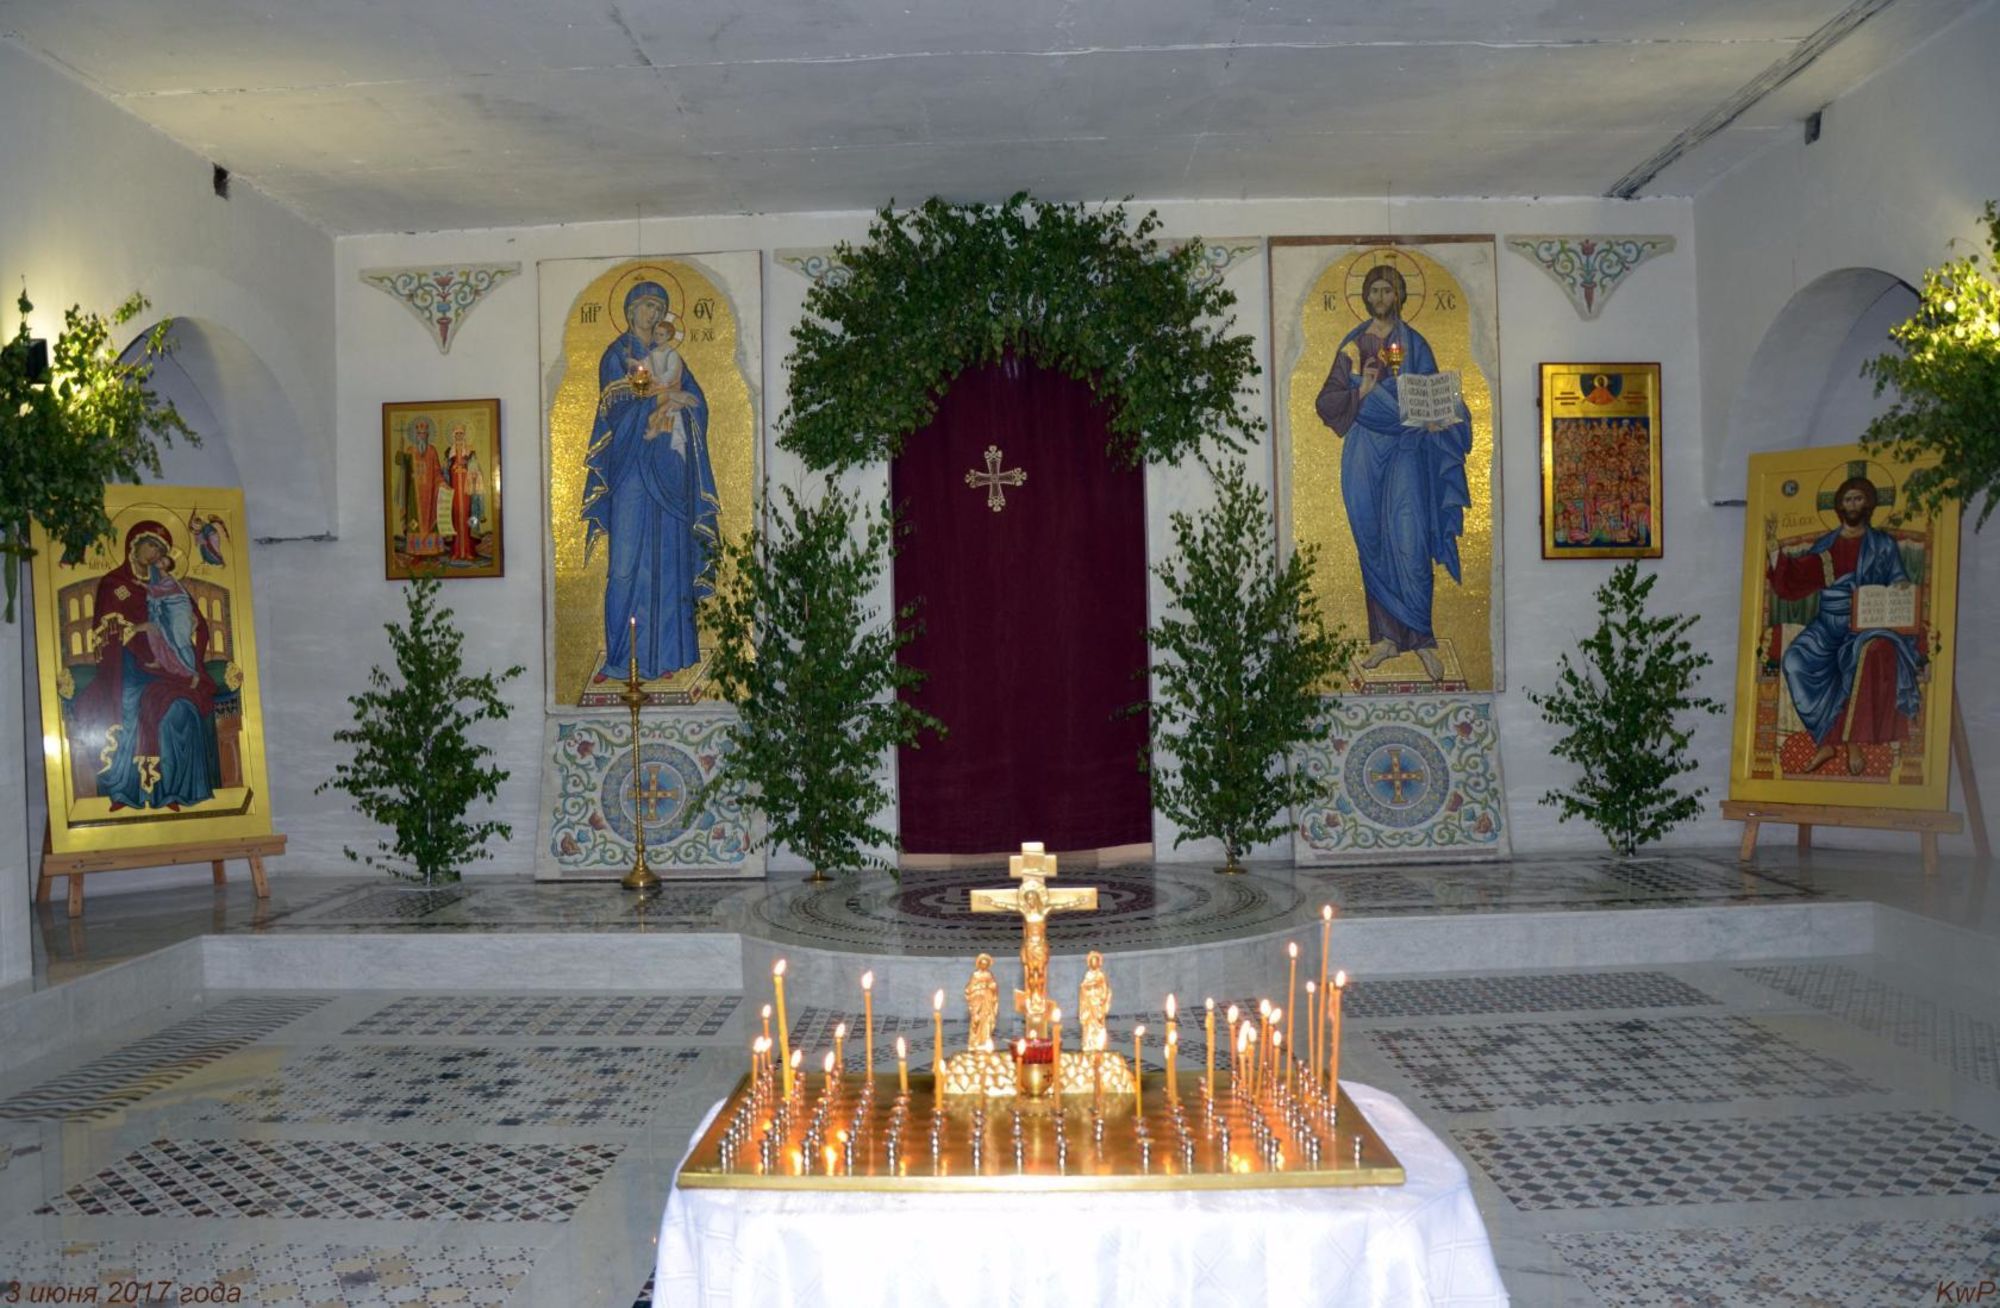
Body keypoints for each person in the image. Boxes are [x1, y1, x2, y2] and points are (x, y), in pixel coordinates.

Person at [1314, 263, 1473, 682]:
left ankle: (1422, 639)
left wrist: (1441, 419)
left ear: (1400, 295)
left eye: (1388, 291)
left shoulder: (1415, 344)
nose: (1381, 298)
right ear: (1365, 297)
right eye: (1375, 291)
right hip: (1364, 451)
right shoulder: (1352, 346)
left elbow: (1435, 393)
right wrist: (1363, 390)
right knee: (1372, 541)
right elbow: (1327, 401)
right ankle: (1384, 639)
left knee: (1410, 538)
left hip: (1406, 450)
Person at [582, 281, 719, 682]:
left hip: (670, 472)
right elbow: (616, 412)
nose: (652, 314)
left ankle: (667, 658)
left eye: (658, 308)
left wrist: (681, 403)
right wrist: (662, 399)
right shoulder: (616, 356)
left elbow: (698, 404)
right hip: (630, 472)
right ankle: (619, 659)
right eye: (646, 306)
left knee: (669, 561)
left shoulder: (674, 358)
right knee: (624, 567)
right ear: (629, 310)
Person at [1767, 476, 1923, 776]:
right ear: (1839, 505)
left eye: (1858, 499)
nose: (1852, 505)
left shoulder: (1882, 544)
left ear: (1868, 503)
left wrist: (1900, 585)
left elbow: (1898, 577)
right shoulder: (1827, 544)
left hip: (1866, 623)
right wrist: (1775, 550)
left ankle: (1852, 742)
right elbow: (1798, 578)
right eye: (1848, 499)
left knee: (1863, 658)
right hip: (1827, 624)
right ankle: (1825, 741)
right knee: (1795, 661)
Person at [67, 521, 221, 810]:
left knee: (182, 710)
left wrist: (179, 636)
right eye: (151, 545)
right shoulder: (115, 585)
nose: (155, 554)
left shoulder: (168, 584)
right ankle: (127, 791)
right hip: (127, 668)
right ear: (134, 545)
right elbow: (105, 633)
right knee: (129, 708)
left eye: (161, 550)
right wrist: (138, 636)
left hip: (168, 668)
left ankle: (173, 792)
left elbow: (195, 622)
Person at [402, 416, 445, 558]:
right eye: (419, 434)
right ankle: (416, 551)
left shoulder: (432, 451)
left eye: (424, 434)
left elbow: (437, 471)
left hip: (430, 492)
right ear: (416, 435)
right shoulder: (410, 450)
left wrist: (442, 483)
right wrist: (400, 455)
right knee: (415, 522)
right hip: (414, 495)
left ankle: (432, 550)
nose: (422, 436)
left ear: (427, 435)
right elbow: (402, 467)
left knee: (432, 520)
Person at [445, 423, 484, 564]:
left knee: (469, 516)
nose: (459, 436)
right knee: (455, 516)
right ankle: (456, 551)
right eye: (457, 434)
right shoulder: (449, 453)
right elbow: (445, 471)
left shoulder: (470, 452)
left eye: (461, 434)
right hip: (454, 491)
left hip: (468, 492)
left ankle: (469, 550)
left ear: (465, 435)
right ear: (453, 436)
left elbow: (475, 470)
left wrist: (471, 471)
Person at [965, 953, 1000, 1053]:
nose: (984, 966)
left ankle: (985, 1041)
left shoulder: (989, 974)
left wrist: (993, 987)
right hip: (977, 1000)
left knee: (987, 1020)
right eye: (982, 964)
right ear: (979, 964)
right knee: (976, 1021)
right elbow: (969, 988)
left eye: (986, 964)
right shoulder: (975, 975)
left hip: (987, 1000)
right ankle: (975, 1042)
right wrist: (979, 988)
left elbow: (994, 986)